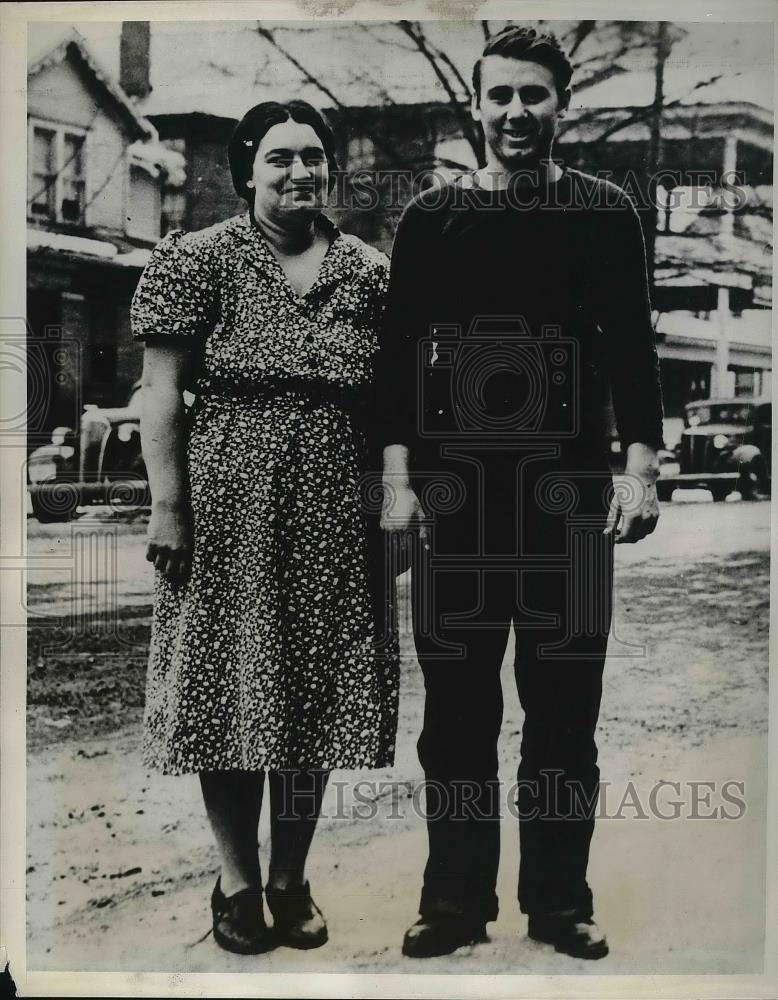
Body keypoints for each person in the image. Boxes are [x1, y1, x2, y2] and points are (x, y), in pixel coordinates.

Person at [378, 26, 663, 960]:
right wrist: (400, 481)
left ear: (560, 105)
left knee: (564, 713)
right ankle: (453, 903)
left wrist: (642, 469)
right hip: (456, 501)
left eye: (533, 96)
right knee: (455, 716)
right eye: (499, 95)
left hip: (571, 502)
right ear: (476, 105)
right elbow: (398, 366)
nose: (515, 114)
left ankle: (558, 903)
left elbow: (632, 346)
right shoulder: (429, 219)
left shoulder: (607, 212)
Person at [131, 100, 399, 955]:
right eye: (280, 158)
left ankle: (292, 879)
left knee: (314, 692)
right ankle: (236, 881)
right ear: (247, 169)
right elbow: (162, 396)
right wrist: (169, 505)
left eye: (313, 157)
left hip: (332, 501)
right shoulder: (195, 258)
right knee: (229, 684)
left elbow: (392, 399)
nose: (299, 174)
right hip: (227, 502)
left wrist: (393, 497)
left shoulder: (367, 269)